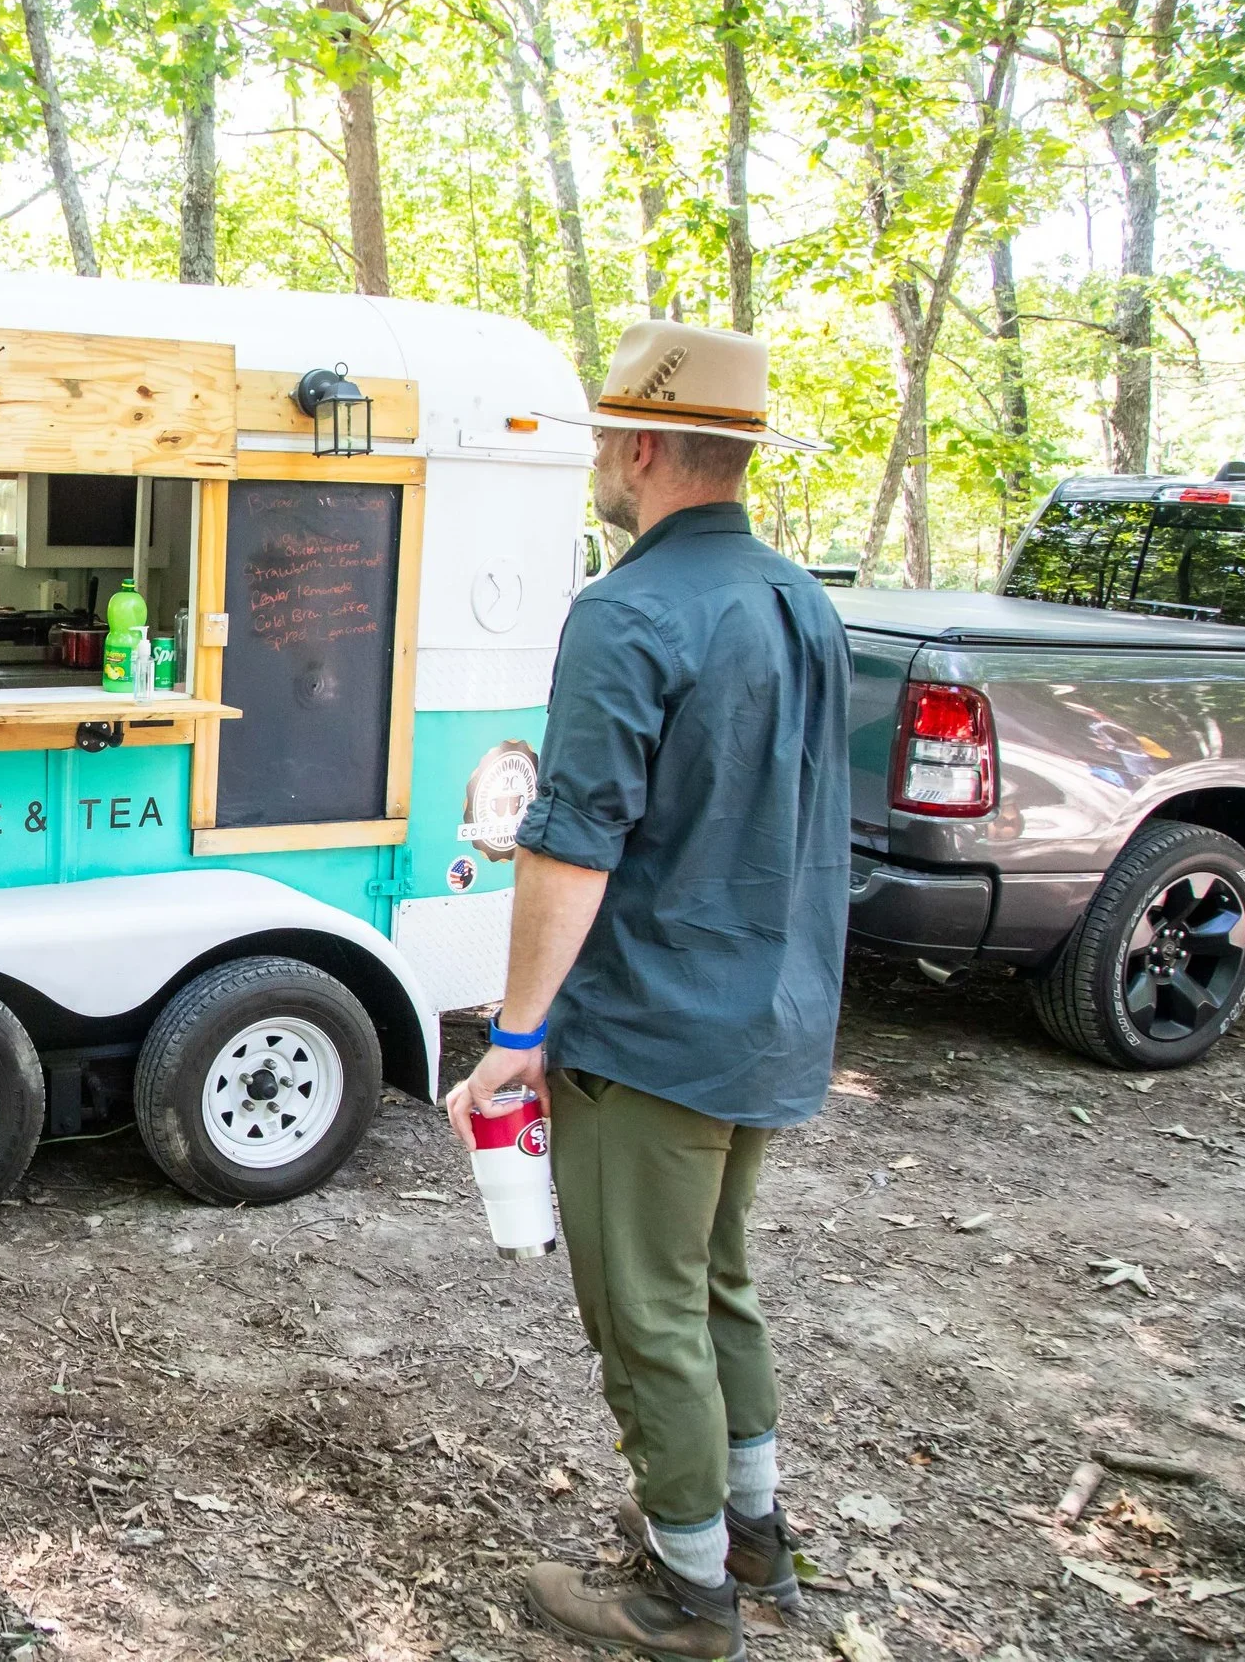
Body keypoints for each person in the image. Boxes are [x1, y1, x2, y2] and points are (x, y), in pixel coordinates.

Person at [445, 320, 849, 1662]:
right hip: (770, 1015)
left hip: (659, 1028)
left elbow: (573, 841)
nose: (601, 466)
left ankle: (685, 1595)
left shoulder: (629, 608)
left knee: (648, 1307)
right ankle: (752, 1531)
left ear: (651, 447)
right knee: (716, 1278)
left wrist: (515, 1033)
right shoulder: (800, 597)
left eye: (609, 442)